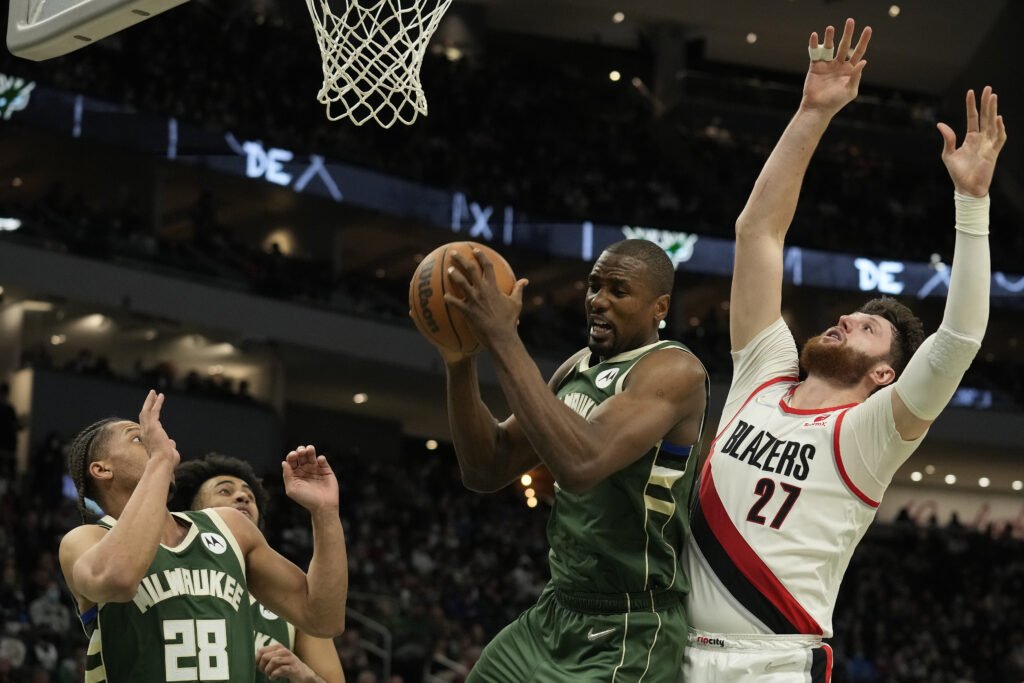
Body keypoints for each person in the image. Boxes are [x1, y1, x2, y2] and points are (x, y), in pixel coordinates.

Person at [682, 18, 1007, 681]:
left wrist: (971, 205)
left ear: (886, 372)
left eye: (866, 327)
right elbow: (758, 233)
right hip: (673, 649)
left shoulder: (871, 433)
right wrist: (812, 112)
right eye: (850, 314)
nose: (845, 319)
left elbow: (961, 338)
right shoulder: (762, 373)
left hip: (772, 664)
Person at [436, 238, 710, 681]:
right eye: (594, 286)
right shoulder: (577, 366)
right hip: (556, 610)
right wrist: (460, 360)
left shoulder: (675, 371)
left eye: (618, 291)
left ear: (659, 307)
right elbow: (486, 467)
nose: (598, 301)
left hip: (629, 628)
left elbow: (581, 465)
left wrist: (504, 337)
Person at [58, 391, 348, 682]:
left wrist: (325, 513)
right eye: (138, 438)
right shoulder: (85, 540)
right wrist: (159, 461)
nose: (163, 442)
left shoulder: (229, 527)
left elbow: (323, 618)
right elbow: (118, 578)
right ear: (101, 469)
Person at [170, 452, 346, 683]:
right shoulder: (165, 576)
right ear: (192, 514)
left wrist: (305, 676)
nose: (243, 496)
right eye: (225, 491)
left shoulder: (290, 600)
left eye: (250, 496)